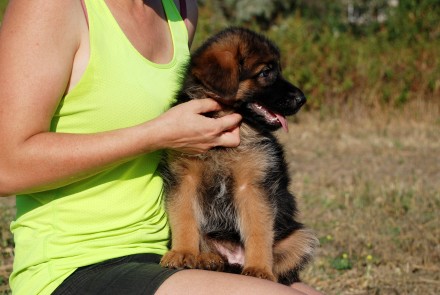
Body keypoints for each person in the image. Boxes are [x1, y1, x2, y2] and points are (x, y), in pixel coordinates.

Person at [0, 1, 322, 294]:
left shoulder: (179, 11)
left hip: (167, 254)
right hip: (76, 263)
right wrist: (154, 135)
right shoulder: (50, 7)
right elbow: (6, 167)